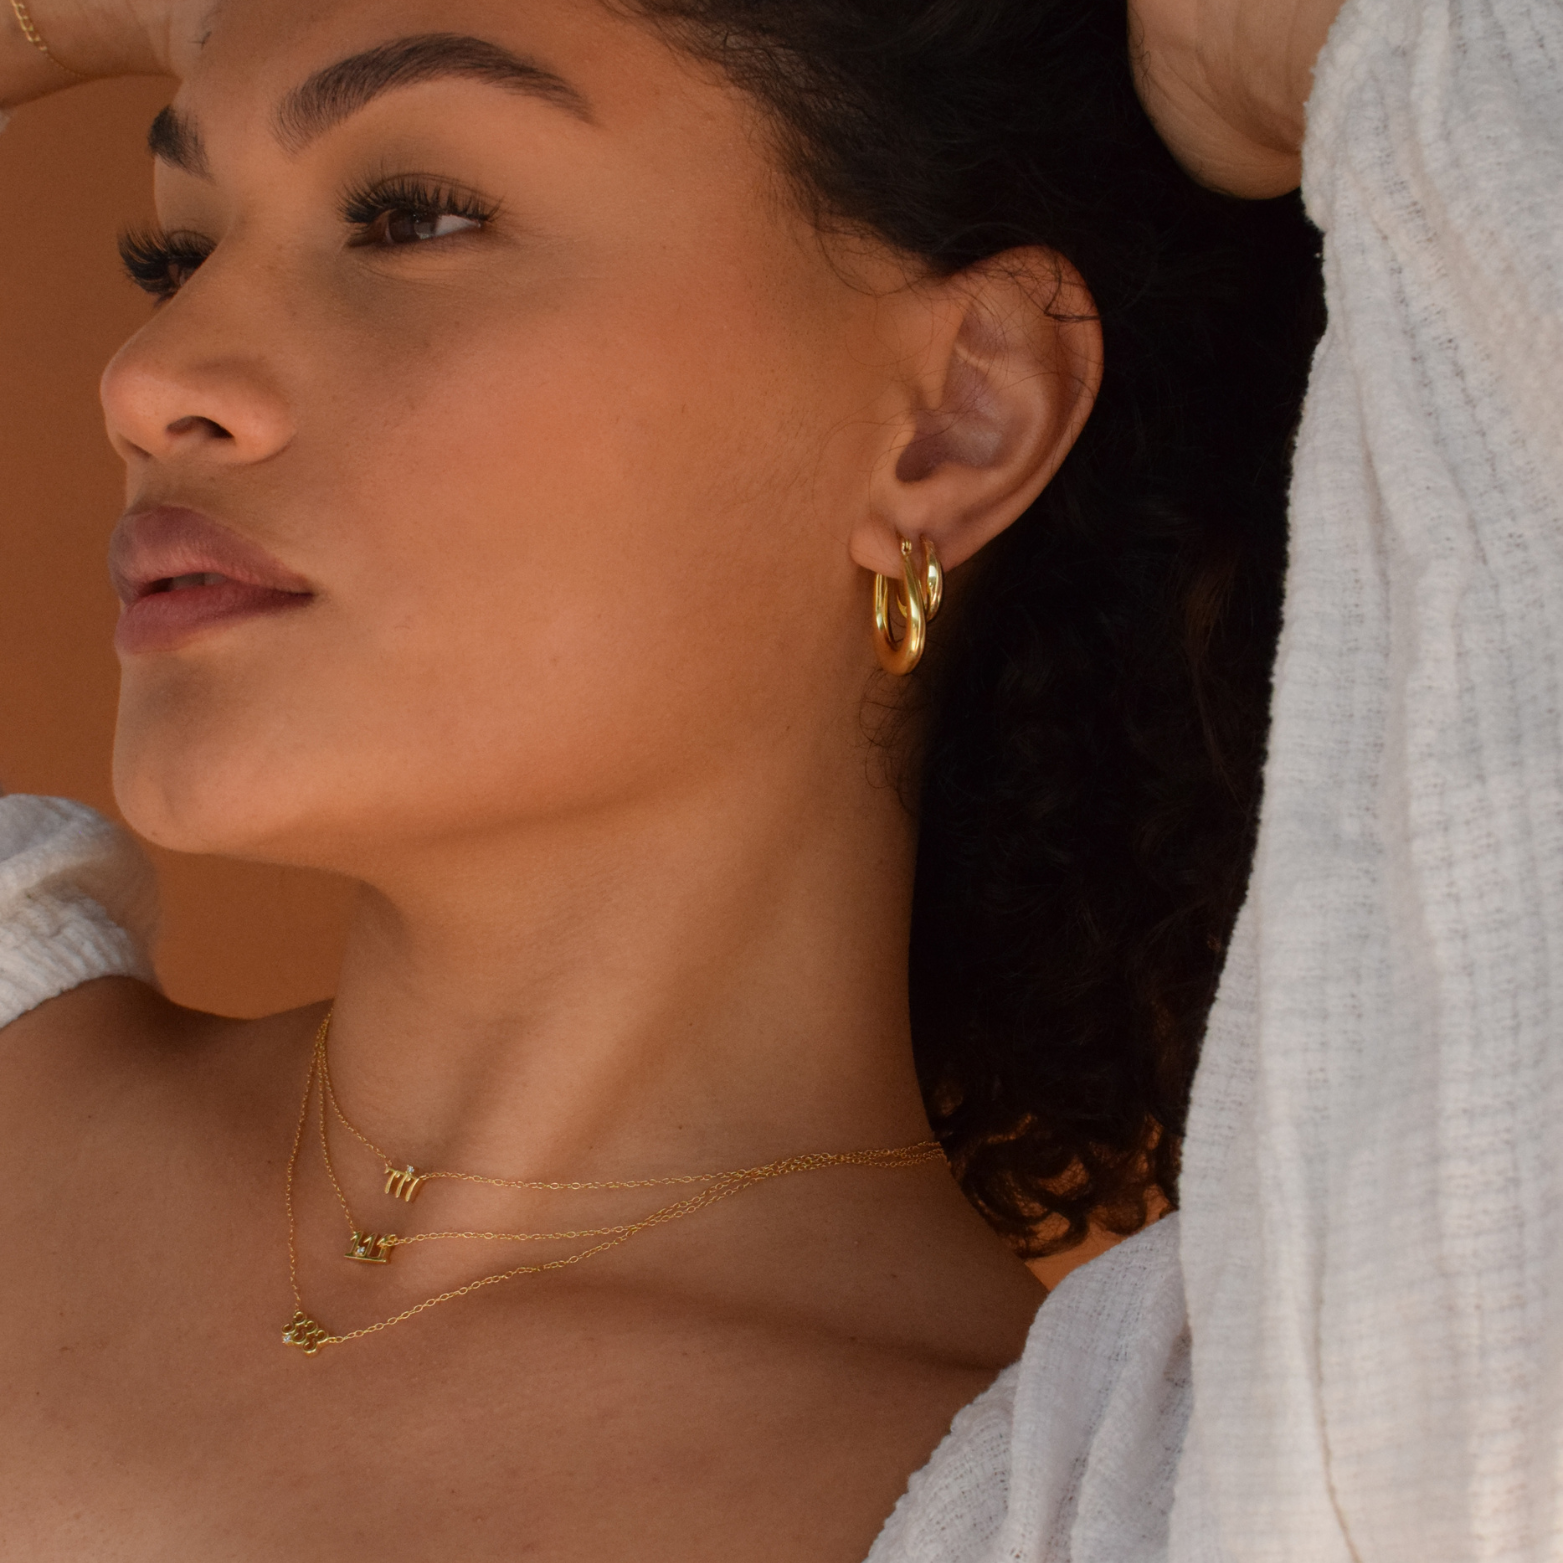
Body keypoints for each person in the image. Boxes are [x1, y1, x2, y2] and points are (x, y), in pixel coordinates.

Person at [10, 0, 1556, 1557]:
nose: (152, 376)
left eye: (414, 218)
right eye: (179, 252)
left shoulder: (1170, 1509)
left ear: (957, 416)